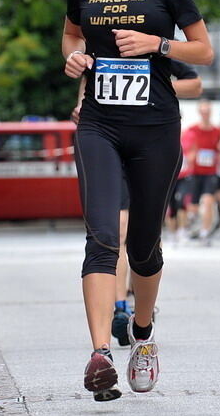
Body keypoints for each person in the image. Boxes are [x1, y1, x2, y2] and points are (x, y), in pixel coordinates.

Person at [62, 0, 213, 401]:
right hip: (99, 123)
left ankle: (143, 335)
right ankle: (101, 354)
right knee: (103, 235)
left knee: (144, 246)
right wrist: (75, 57)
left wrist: (157, 43)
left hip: (155, 128)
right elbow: (71, 35)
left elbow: (204, 51)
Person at [71, 60, 202, 348]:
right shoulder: (99, 43)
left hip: (149, 143)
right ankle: (119, 307)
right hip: (108, 143)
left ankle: (142, 305)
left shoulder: (155, 44)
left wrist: (158, 88)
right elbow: (86, 86)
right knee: (114, 232)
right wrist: (83, 107)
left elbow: (195, 83)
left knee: (142, 237)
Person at [186, 100, 220, 244]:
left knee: (208, 202)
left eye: (208, 111)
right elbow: (186, 147)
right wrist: (190, 155)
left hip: (210, 172)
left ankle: (205, 232)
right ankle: (192, 221)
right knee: (193, 208)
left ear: (211, 113)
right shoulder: (192, 130)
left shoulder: (217, 131)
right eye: (203, 111)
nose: (205, 114)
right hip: (195, 172)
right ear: (199, 113)